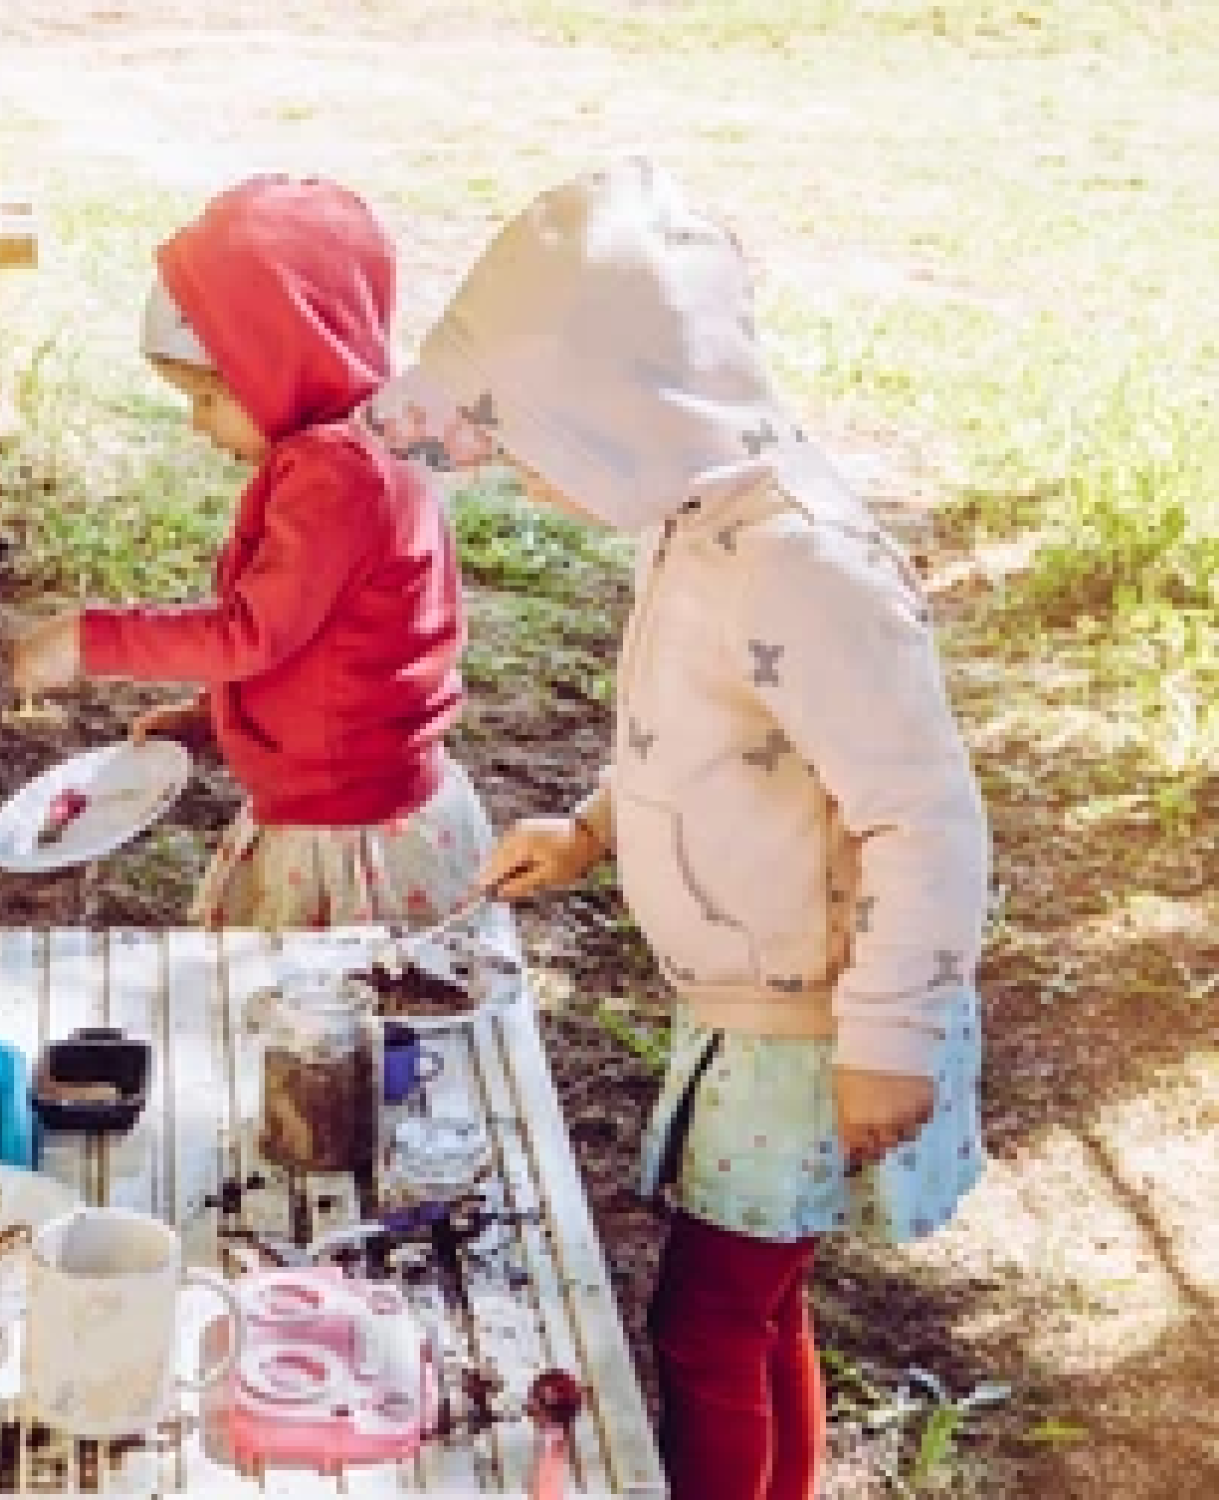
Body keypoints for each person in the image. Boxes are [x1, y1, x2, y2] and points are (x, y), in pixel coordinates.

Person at [363, 155, 988, 1498]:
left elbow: (923, 814)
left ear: (628, 414)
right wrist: (592, 827)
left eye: (533, 442)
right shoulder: (697, 518)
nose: (515, 475)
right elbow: (720, 742)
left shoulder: (803, 564)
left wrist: (889, 1037)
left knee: (705, 1322)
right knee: (754, 1306)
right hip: (751, 1002)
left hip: (813, 1021)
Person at [9, 174, 492, 928]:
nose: (198, 426)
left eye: (207, 399)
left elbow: (251, 631)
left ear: (279, 363)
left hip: (348, 829)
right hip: (343, 791)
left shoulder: (336, 476)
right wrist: (217, 715)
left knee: (328, 1020)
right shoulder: (358, 443)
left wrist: (88, 639)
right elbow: (328, 642)